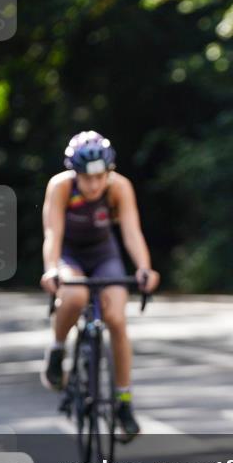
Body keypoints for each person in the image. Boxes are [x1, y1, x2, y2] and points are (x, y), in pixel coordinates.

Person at [39, 131, 160, 441]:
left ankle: (123, 402)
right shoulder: (61, 188)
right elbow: (53, 233)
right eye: (86, 178)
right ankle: (56, 349)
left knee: (117, 319)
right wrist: (52, 269)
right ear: (74, 173)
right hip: (70, 255)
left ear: (109, 171)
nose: (93, 186)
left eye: (100, 177)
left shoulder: (119, 187)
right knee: (75, 295)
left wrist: (144, 268)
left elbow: (132, 231)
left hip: (104, 255)